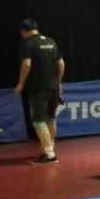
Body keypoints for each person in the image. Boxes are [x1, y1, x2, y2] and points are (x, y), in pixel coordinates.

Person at [13, 18, 64, 164]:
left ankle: (50, 154)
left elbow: (27, 64)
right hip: (54, 87)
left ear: (24, 31)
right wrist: (59, 82)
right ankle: (49, 149)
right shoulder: (51, 41)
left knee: (39, 121)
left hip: (38, 89)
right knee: (50, 118)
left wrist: (20, 84)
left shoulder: (28, 44)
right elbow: (61, 63)